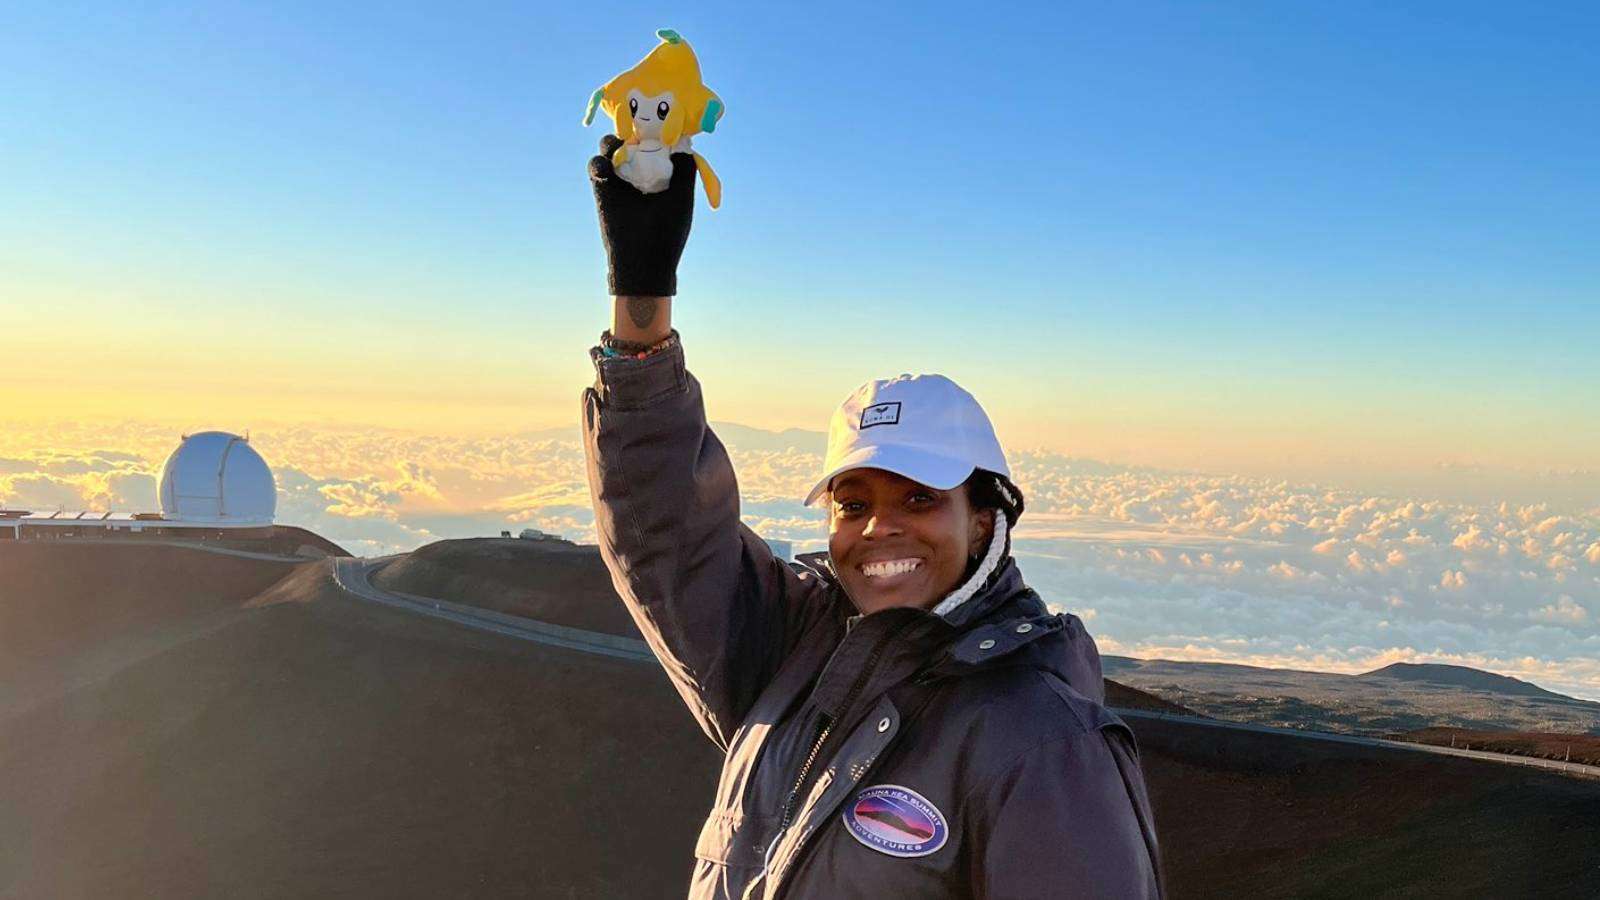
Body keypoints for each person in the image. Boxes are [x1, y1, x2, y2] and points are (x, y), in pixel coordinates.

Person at [581, 136, 1163, 899]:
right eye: (854, 503)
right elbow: (663, 533)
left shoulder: (1041, 742)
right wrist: (642, 300)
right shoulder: (792, 651)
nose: (878, 529)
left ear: (985, 518)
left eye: (920, 497)